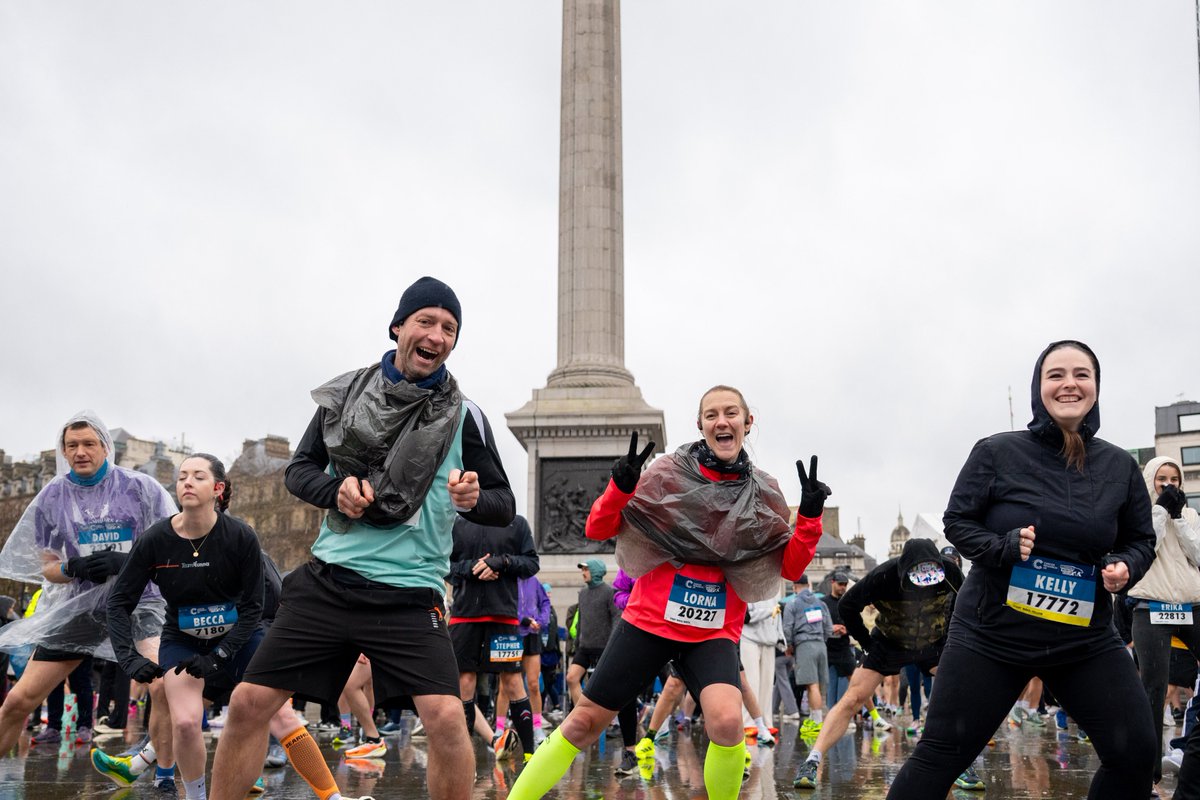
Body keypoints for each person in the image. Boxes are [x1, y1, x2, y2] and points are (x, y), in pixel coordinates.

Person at [209, 276, 515, 800]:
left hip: (410, 592)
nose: (437, 335)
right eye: (426, 321)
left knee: (445, 719)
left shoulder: (467, 416)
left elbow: (503, 505)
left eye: (450, 328)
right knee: (247, 703)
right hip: (331, 580)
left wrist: (472, 499)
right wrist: (335, 492)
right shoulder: (345, 394)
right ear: (398, 326)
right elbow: (299, 470)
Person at [505, 384, 828, 800]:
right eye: (711, 414)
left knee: (728, 723)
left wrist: (810, 519)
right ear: (700, 424)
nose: (721, 421)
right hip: (650, 621)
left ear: (748, 423)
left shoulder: (764, 493)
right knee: (584, 721)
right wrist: (620, 487)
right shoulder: (666, 473)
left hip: (713, 630)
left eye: (731, 413)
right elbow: (597, 529)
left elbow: (789, 567)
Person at [885, 339, 1157, 799]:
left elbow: (1140, 540)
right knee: (941, 754)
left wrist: (1125, 566)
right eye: (1056, 375)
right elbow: (957, 522)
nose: (1069, 383)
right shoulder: (997, 451)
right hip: (993, 635)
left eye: (1081, 374)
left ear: (1095, 387)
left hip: (1082, 639)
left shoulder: (1119, 466)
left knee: (1135, 752)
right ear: (1039, 388)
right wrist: (1003, 546)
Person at [93, 454, 297, 799]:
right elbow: (118, 603)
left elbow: (254, 607)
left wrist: (219, 656)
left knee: (281, 717)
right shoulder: (155, 539)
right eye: (182, 476)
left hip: (239, 638)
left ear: (218, 488)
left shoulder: (241, 536)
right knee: (185, 722)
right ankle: (196, 795)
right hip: (183, 641)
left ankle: (330, 794)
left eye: (198, 476)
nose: (187, 481)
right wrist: (129, 659)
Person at [0, 412, 176, 786]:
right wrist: (74, 568)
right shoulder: (52, 496)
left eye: (88, 444)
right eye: (72, 446)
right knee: (18, 700)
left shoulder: (141, 488)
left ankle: (163, 773)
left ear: (105, 448)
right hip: (81, 606)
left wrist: (127, 562)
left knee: (163, 685)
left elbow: (172, 550)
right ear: (63, 451)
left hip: (138, 601)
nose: (80, 452)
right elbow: (47, 566)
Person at [792, 537, 963, 790]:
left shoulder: (950, 572)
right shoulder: (883, 576)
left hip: (932, 641)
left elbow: (968, 604)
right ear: (903, 571)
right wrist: (866, 642)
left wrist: (952, 639)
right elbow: (848, 605)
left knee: (958, 692)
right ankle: (812, 761)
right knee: (853, 698)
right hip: (889, 642)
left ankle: (963, 763)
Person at [1127, 455, 1200, 784]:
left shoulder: (1191, 514)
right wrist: (1159, 510)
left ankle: (1190, 748)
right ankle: (1148, 771)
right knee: (1152, 688)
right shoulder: (1138, 512)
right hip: (1151, 604)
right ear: (1150, 481)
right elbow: (1144, 548)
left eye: (1174, 479)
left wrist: (1179, 520)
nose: (1169, 485)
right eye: (1162, 479)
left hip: (1193, 603)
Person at [447, 514, 539, 760]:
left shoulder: (516, 523)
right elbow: (445, 565)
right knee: (464, 683)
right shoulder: (457, 524)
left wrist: (501, 562)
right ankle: (463, 758)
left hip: (503, 616)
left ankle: (530, 756)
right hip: (465, 616)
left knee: (512, 683)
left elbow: (532, 564)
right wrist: (474, 568)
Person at [564, 559, 618, 708]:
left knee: (602, 689)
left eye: (586, 570)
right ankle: (582, 713)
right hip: (584, 648)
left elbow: (616, 619)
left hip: (603, 649)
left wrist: (613, 645)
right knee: (572, 678)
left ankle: (604, 719)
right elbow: (581, 620)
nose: (583, 573)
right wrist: (576, 644)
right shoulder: (582, 593)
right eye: (583, 570)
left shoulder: (609, 592)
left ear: (595, 571)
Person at [782, 573, 830, 735]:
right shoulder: (820, 603)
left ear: (795, 587)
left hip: (804, 644)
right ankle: (815, 717)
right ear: (809, 585)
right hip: (821, 644)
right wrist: (821, 639)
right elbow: (828, 627)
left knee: (811, 684)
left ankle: (817, 721)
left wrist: (789, 645)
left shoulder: (793, 603)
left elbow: (787, 627)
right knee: (819, 684)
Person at [821, 572, 855, 712]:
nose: (843, 587)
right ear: (832, 583)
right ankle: (831, 716)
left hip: (844, 648)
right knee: (830, 685)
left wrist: (846, 630)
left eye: (845, 585)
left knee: (850, 683)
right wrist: (830, 628)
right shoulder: (823, 602)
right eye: (840, 584)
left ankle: (844, 714)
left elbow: (856, 625)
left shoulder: (848, 602)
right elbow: (815, 624)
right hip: (828, 648)